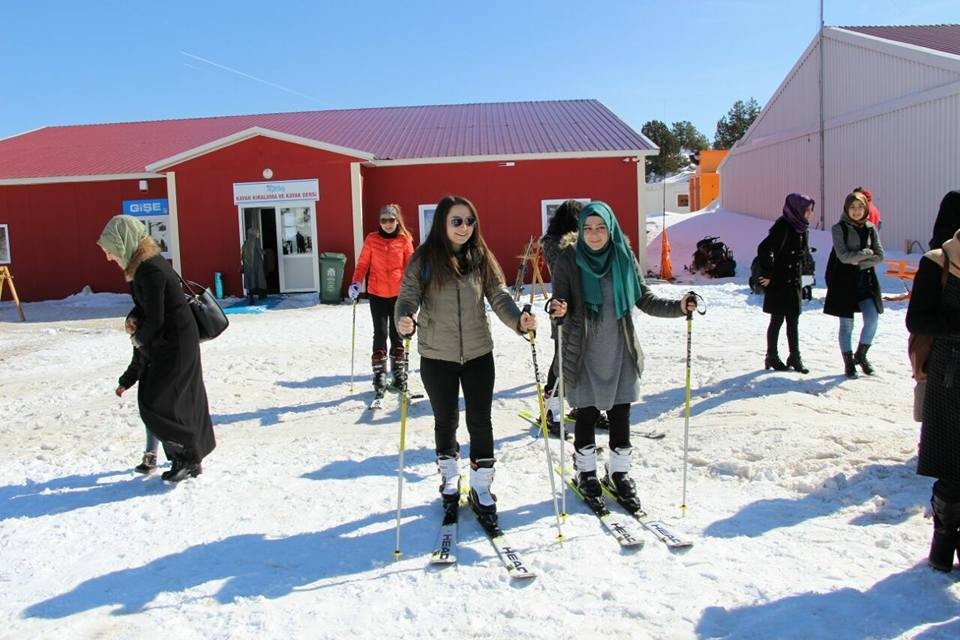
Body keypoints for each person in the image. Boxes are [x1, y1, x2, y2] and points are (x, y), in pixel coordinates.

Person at [395, 195, 536, 530]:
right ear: (442, 223)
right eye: (457, 221)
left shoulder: (480, 256)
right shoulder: (424, 259)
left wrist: (519, 322)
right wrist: (404, 318)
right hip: (436, 355)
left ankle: (482, 487)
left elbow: (499, 295)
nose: (464, 227)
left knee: (480, 421)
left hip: (477, 353)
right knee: (445, 422)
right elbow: (407, 297)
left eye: (469, 221)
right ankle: (448, 479)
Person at [548, 201, 697, 511]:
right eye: (588, 228)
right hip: (583, 350)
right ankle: (586, 471)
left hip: (619, 348)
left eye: (601, 227)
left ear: (611, 227)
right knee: (586, 414)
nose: (594, 234)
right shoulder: (568, 259)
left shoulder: (623, 257)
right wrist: (557, 309)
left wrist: (678, 307)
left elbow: (644, 298)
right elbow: (559, 300)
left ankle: (619, 472)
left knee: (620, 416)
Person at [98, 215, 215, 482]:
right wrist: (134, 319)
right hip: (169, 342)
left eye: (110, 250)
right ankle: (187, 460)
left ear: (123, 242)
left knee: (159, 401)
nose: (109, 257)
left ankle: (185, 457)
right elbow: (148, 308)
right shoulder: (140, 268)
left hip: (176, 343)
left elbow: (156, 317)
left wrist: (138, 338)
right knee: (171, 399)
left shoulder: (149, 269)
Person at [906, 228, 960, 571]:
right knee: (953, 465)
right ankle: (943, 539)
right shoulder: (937, 261)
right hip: (949, 373)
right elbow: (917, 319)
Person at [348, 204, 415, 399]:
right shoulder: (372, 239)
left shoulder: (404, 240)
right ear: (379, 222)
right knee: (380, 333)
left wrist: (414, 291)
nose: (387, 224)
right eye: (383, 220)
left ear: (397, 220)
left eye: (391, 220)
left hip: (398, 295)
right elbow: (362, 264)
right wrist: (355, 283)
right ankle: (379, 376)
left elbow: (410, 268)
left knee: (397, 334)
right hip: (377, 293)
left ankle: (398, 375)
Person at [823, 191, 884, 378]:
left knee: (872, 319)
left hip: (866, 283)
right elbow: (842, 256)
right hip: (844, 284)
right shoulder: (838, 228)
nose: (856, 211)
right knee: (846, 326)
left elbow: (880, 256)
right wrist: (867, 253)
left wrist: (858, 261)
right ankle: (849, 362)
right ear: (846, 208)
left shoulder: (870, 228)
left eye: (860, 207)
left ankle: (861, 355)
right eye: (852, 207)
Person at [757, 193, 816, 374]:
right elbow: (764, 248)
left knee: (793, 320)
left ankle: (794, 356)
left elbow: (802, 254)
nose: (810, 214)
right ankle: (772, 356)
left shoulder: (802, 228)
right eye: (807, 210)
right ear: (797, 210)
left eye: (811, 210)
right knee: (777, 320)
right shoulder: (783, 226)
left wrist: (807, 272)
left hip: (794, 281)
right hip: (780, 281)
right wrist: (768, 273)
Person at [539, 200, 582, 435]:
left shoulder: (566, 243)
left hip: (580, 309)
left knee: (581, 360)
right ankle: (550, 410)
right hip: (562, 308)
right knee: (561, 360)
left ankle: (581, 406)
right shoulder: (557, 245)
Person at [115, 310, 161, 474]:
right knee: (151, 420)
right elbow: (136, 364)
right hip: (149, 387)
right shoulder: (138, 342)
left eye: (134, 325)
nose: (131, 328)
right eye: (129, 325)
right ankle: (151, 456)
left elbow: (157, 358)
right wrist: (124, 383)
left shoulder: (154, 340)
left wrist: (141, 344)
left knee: (169, 422)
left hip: (165, 385)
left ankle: (182, 455)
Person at [242, 227, 268, 305]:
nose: (258, 234)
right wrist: (266, 252)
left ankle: (251, 299)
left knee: (251, 280)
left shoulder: (246, 242)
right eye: (257, 232)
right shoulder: (256, 241)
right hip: (256, 264)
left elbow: (243, 253)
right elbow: (260, 251)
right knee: (259, 278)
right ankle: (261, 295)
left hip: (248, 265)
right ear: (253, 233)